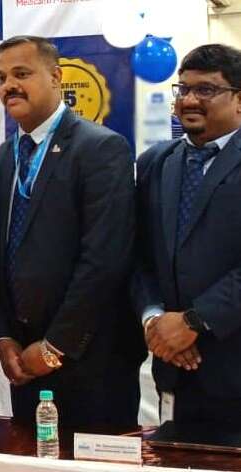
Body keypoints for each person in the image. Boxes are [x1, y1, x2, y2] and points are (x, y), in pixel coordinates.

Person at [0, 36, 145, 427]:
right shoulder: (4, 156)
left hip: (92, 360)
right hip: (23, 361)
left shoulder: (101, 148)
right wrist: (3, 337)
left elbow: (105, 261)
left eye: (22, 73)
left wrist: (55, 346)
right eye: (2, 77)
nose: (9, 86)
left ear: (56, 77)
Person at [132, 43, 241, 425]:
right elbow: (137, 256)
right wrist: (155, 321)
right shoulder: (155, 162)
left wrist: (193, 322)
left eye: (206, 89)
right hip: (175, 369)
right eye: (184, 89)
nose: (190, 100)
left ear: (239, 100)